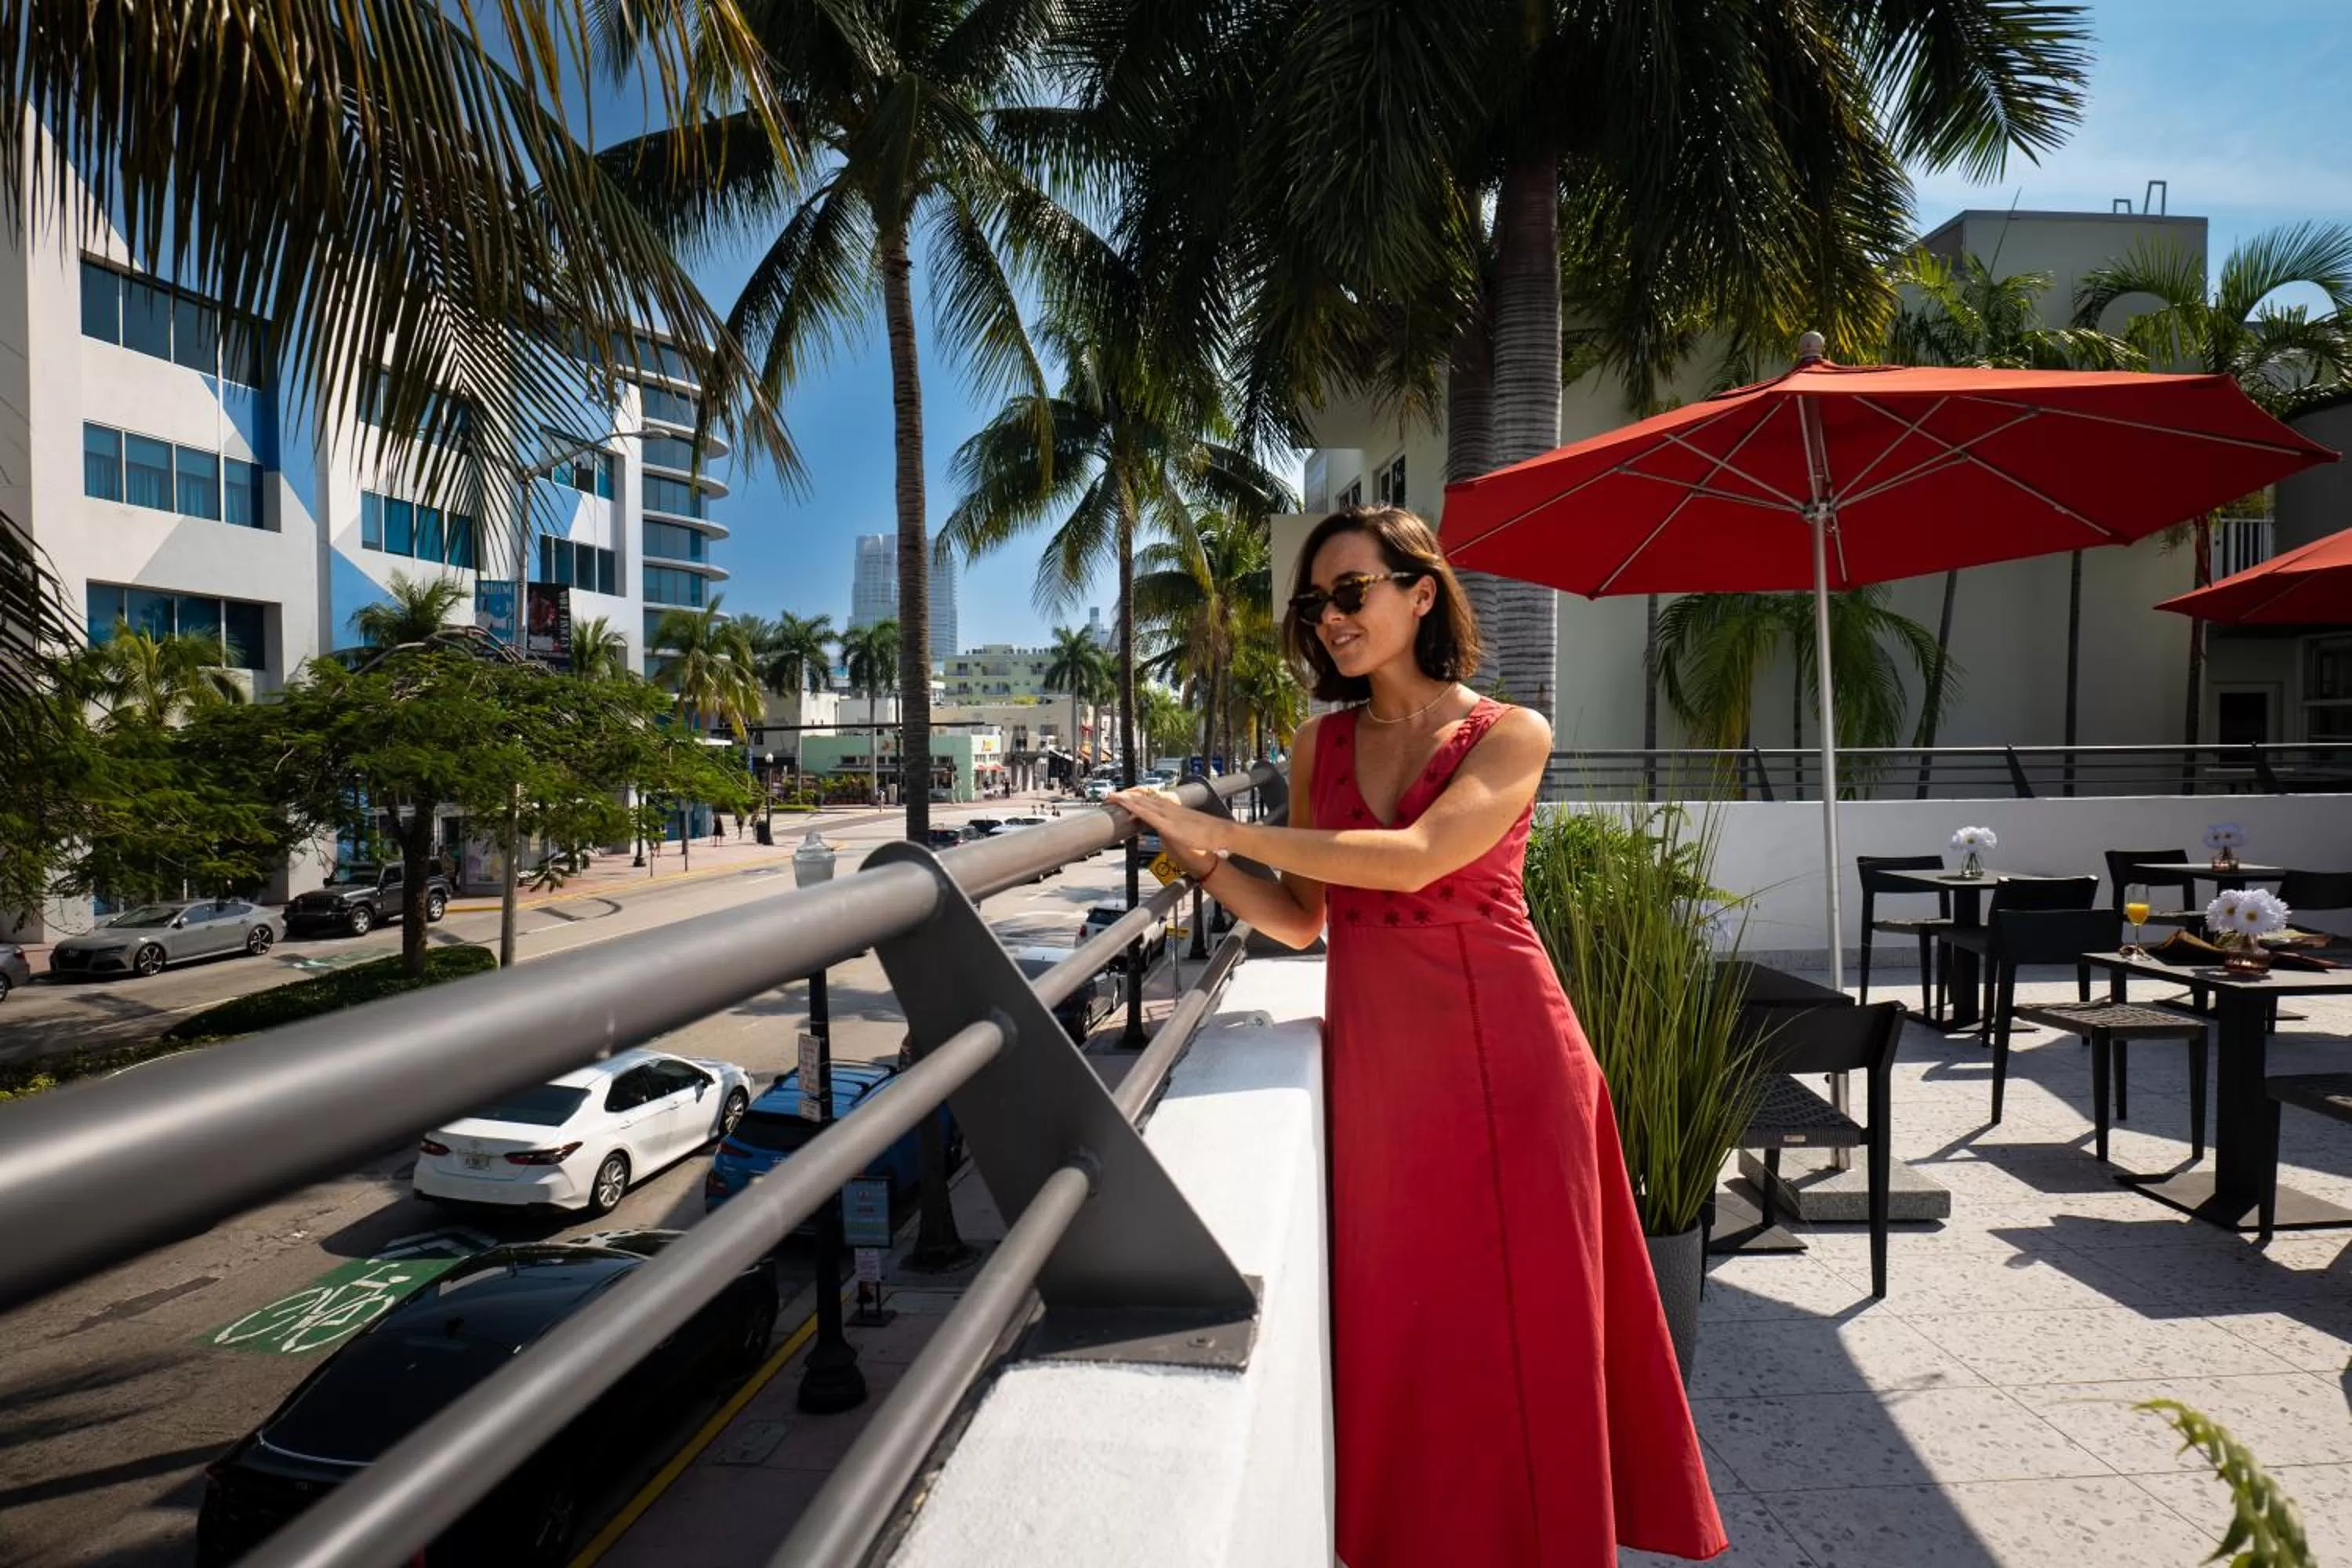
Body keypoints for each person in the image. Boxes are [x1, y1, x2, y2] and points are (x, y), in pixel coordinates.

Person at [1112, 505, 1726, 1567]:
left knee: (1529, 1340)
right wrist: (1192, 857)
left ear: (1421, 592)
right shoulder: (1320, 743)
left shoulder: (1512, 733)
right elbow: (1302, 918)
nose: (1331, 618)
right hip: (1385, 1082)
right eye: (1317, 602)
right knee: (1413, 1335)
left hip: (1515, 1065)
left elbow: (1413, 860)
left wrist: (1219, 823)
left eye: (1352, 592)